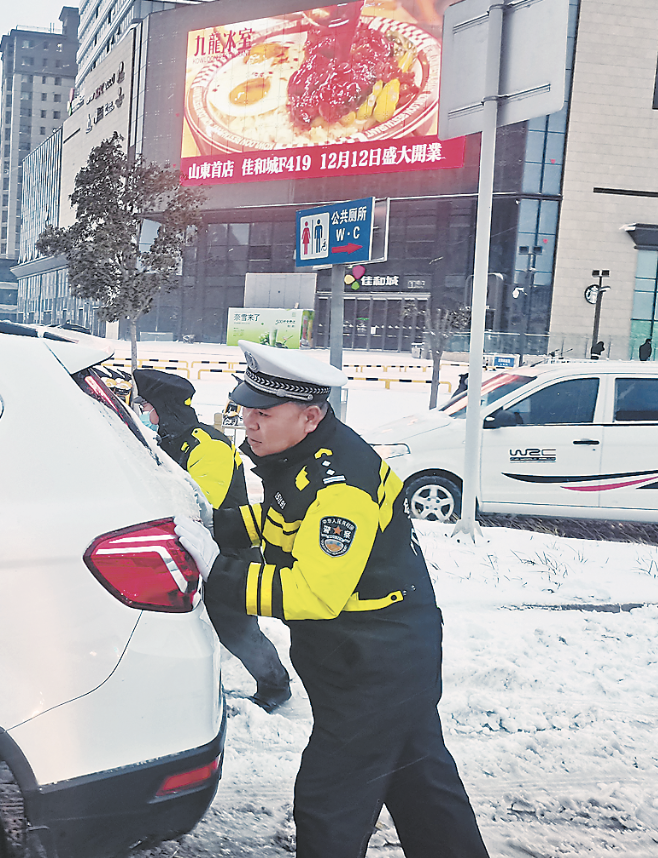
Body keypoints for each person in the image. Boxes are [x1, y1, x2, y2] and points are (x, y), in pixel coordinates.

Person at [173, 341, 489, 858]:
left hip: (374, 663)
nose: (248, 422)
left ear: (310, 415)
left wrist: (219, 571)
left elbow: (313, 592)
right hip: (381, 652)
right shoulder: (303, 459)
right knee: (422, 787)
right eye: (245, 409)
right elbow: (283, 521)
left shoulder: (340, 485)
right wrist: (220, 526)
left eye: (263, 413)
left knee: (330, 799)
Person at [133, 368, 292, 712]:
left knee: (237, 630)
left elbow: (202, 503)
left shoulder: (209, 445)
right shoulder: (168, 440)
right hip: (193, 550)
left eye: (147, 406)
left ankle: (275, 687)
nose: (143, 413)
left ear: (164, 406)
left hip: (229, 553)